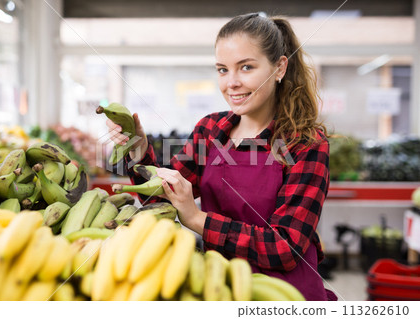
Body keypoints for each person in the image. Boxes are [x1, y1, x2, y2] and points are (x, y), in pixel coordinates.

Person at [107, 13, 336, 301]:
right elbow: (161, 197)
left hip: (284, 297)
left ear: (279, 68)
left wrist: (196, 219)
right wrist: (138, 146)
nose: (232, 83)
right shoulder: (210, 130)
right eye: (222, 70)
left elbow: (285, 248)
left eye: (246, 67)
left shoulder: (306, 144)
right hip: (219, 287)